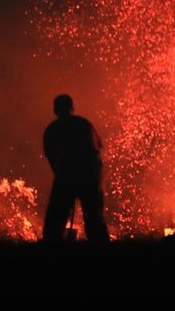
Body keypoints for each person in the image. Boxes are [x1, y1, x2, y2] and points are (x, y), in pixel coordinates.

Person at [41, 94, 109, 242]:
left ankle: (51, 251)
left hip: (67, 175)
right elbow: (97, 149)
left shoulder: (52, 130)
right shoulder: (84, 124)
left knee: (55, 218)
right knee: (94, 218)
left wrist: (62, 180)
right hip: (90, 176)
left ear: (55, 110)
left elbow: (52, 158)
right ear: (72, 108)